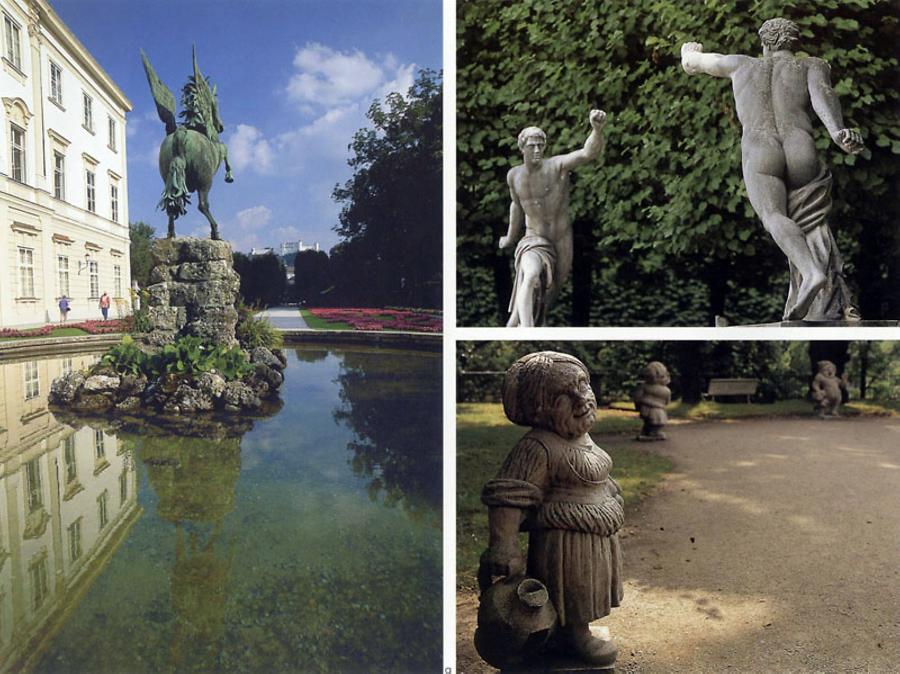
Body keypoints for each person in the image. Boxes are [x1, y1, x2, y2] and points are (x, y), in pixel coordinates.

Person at [681, 18, 863, 322]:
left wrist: (689, 54)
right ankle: (827, 286)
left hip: (760, 148)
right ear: (794, 43)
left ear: (764, 43)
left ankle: (811, 271)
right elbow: (823, 95)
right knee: (814, 220)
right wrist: (837, 132)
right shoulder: (812, 65)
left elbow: (698, 62)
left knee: (774, 215)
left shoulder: (741, 65)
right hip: (800, 146)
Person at [479, 352, 623, 666]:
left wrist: (610, 492)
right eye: (564, 396)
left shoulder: (580, 436)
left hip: (593, 533)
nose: (581, 398)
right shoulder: (538, 446)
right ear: (541, 407)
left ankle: (568, 632)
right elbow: (509, 494)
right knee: (572, 587)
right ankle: (574, 635)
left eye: (583, 386)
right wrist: (503, 546)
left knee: (589, 584)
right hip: (566, 542)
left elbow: (593, 473)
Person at [500, 110, 607, 327]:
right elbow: (517, 207)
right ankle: (527, 333)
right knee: (530, 276)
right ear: (522, 147)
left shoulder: (556, 166)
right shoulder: (514, 175)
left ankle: (514, 326)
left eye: (541, 145)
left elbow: (588, 153)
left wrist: (596, 129)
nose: (537, 150)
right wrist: (510, 238)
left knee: (545, 298)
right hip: (533, 239)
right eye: (532, 146)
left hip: (560, 240)